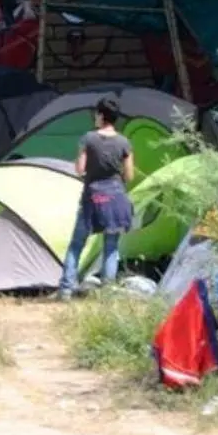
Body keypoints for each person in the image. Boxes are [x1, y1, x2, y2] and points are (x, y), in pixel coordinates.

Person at [58, 97, 137, 296]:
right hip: (117, 198)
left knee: (77, 244)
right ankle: (107, 292)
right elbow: (129, 175)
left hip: (92, 198)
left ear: (101, 115)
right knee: (111, 247)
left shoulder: (88, 139)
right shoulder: (124, 143)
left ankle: (66, 289)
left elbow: (80, 169)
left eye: (96, 114)